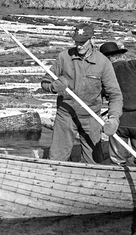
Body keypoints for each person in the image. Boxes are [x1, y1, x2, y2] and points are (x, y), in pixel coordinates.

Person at [40, 24, 123, 164]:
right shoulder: (64, 58)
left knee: (94, 162)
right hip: (65, 115)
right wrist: (53, 87)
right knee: (56, 159)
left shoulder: (103, 63)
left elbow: (115, 95)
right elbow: (44, 83)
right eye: (76, 42)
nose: (79, 46)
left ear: (92, 40)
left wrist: (114, 118)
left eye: (82, 42)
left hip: (91, 117)